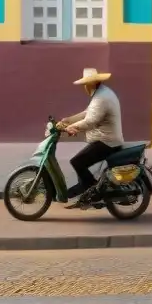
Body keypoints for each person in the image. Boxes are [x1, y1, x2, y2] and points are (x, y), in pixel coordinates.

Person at [58, 68, 124, 208]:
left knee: (77, 162)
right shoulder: (101, 93)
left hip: (107, 142)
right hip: (106, 139)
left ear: (92, 84)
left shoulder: (101, 98)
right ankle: (86, 191)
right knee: (81, 162)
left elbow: (90, 121)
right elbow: (87, 113)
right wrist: (68, 120)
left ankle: (93, 191)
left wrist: (71, 128)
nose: (84, 88)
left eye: (85, 85)